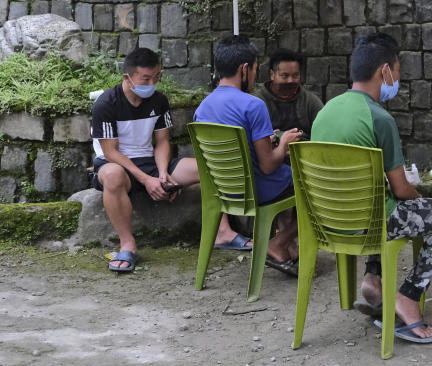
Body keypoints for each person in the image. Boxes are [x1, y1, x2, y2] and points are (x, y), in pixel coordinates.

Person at [311, 32, 432, 344]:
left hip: (329, 221)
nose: (397, 78)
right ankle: (408, 296)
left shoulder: (324, 112)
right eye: (397, 71)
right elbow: (401, 190)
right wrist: (419, 196)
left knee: (382, 201)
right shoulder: (379, 117)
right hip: (370, 225)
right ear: (384, 71)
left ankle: (373, 278)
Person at [193, 35, 303, 277]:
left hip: (223, 190)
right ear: (244, 69)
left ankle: (286, 246)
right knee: (313, 183)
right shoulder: (253, 105)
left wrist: (268, 139)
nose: (255, 76)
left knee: (286, 176)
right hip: (257, 190)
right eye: (255, 69)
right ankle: (278, 242)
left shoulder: (203, 107)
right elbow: (268, 165)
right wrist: (283, 144)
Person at [91, 48, 202, 273]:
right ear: (128, 78)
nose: (152, 84)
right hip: (116, 164)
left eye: (156, 78)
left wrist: (162, 175)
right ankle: (127, 244)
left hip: (150, 161)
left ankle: (221, 233)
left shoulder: (159, 101)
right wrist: (147, 180)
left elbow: (162, 141)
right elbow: (110, 152)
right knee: (112, 176)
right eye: (146, 79)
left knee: (205, 168)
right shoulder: (105, 104)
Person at [255, 49, 323, 140]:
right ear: (272, 74)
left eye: (295, 76)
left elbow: (324, 133)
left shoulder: (310, 102)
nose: (290, 81)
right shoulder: (257, 102)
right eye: (284, 76)